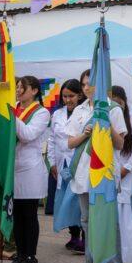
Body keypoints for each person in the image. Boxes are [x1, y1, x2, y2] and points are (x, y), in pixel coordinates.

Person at [66, 69, 127, 263]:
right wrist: (86, 133)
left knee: (108, 221)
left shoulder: (113, 108)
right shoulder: (80, 109)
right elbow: (70, 143)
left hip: (103, 174)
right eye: (84, 84)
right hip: (83, 173)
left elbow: (120, 144)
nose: (87, 88)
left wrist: (106, 126)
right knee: (87, 221)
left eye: (90, 84)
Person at [8, 77, 51, 263]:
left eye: (22, 88)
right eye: (17, 87)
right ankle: (20, 254)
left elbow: (27, 135)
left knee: (29, 214)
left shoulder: (41, 112)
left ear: (34, 90)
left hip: (30, 168)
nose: (18, 90)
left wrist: (12, 116)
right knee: (16, 215)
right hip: (13, 167)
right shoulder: (15, 108)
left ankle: (31, 258)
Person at [49, 79, 85, 252]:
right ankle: (73, 235)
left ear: (80, 95)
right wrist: (52, 163)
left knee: (79, 200)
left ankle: (85, 237)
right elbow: (51, 139)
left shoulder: (85, 113)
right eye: (65, 96)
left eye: (71, 96)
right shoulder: (57, 114)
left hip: (78, 162)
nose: (68, 100)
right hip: (62, 162)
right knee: (65, 200)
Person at [111, 86, 132, 263]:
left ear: (124, 102)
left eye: (119, 102)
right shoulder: (106, 119)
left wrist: (126, 168)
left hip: (128, 174)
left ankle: (130, 256)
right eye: (112, 102)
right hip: (110, 172)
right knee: (113, 216)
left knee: (128, 218)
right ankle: (113, 255)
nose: (116, 105)